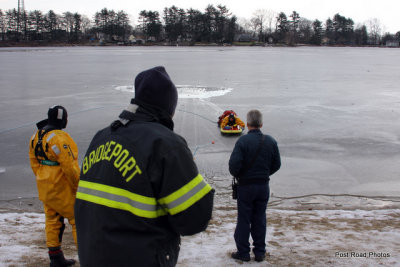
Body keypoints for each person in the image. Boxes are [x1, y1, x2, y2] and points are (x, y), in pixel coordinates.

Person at [74, 66, 214, 267]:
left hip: (93, 256)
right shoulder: (165, 144)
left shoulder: (101, 137)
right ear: (168, 107)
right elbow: (194, 219)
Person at [29, 105, 80, 267]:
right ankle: (87, 256)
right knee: (77, 219)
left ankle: (55, 258)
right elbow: (70, 167)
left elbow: (33, 161)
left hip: (45, 184)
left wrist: (41, 176)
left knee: (52, 219)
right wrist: (77, 187)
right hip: (61, 184)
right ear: (62, 119)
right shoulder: (60, 138)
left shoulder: (36, 136)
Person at [228, 109, 281, 262]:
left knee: (244, 219)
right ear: (261, 124)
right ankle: (259, 252)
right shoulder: (270, 141)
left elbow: (233, 166)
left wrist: (242, 175)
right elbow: (277, 164)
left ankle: (243, 253)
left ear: (247, 123)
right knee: (260, 218)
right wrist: (264, 174)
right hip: (263, 185)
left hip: (245, 187)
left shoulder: (242, 141)